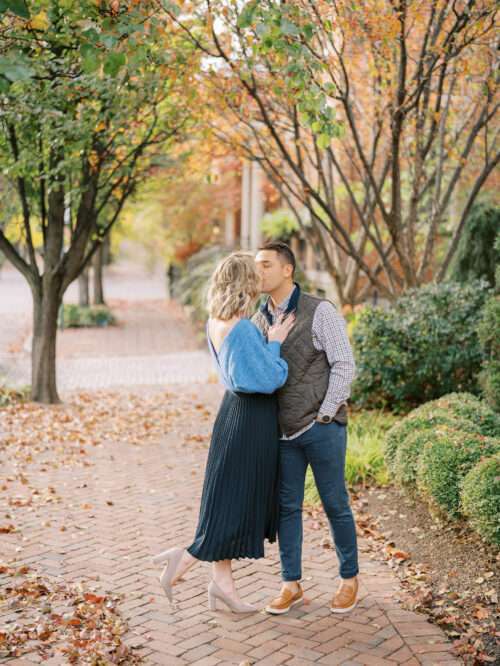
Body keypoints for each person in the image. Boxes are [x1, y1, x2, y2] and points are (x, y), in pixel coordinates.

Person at [151, 251, 295, 613]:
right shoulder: (244, 328)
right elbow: (269, 378)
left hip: (231, 414)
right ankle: (184, 558)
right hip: (250, 419)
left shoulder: (216, 320)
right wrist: (276, 341)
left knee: (228, 499)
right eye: (254, 275)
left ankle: (223, 586)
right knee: (237, 502)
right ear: (245, 282)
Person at [252, 241, 359, 615]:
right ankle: (290, 583)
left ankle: (349, 578)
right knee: (287, 509)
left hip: (321, 428)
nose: (258, 271)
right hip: (282, 433)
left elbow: (344, 364)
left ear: (286, 270)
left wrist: (326, 415)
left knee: (335, 504)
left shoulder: (320, 311)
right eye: (256, 265)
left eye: (265, 265)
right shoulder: (258, 318)